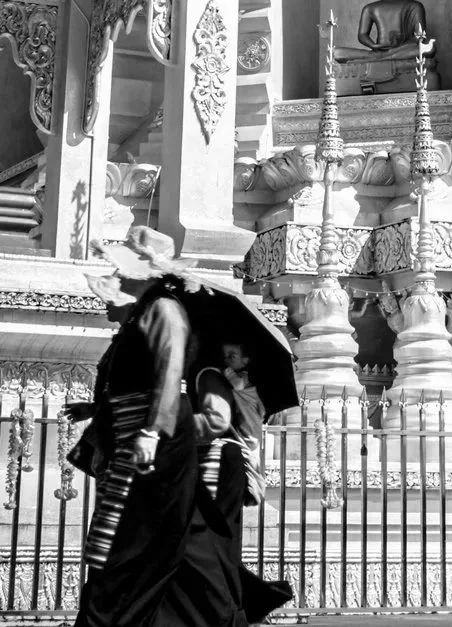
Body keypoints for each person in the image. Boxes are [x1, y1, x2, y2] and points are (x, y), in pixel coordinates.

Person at [72, 227, 289, 627]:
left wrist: (152, 432)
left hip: (161, 443)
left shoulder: (164, 311)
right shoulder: (142, 314)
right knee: (156, 543)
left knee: (132, 543)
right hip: (139, 439)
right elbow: (135, 383)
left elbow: (170, 376)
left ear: (147, 272)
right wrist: (97, 410)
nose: (117, 276)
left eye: (124, 269)